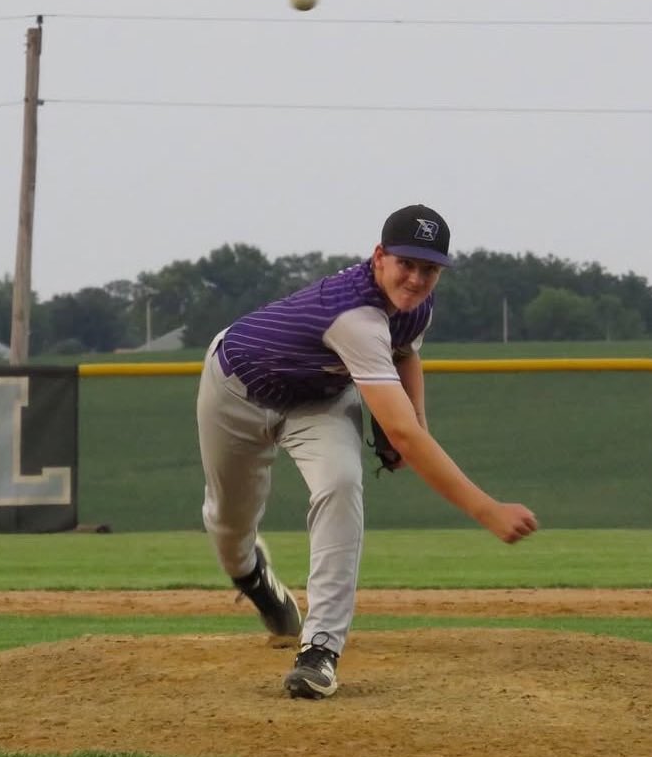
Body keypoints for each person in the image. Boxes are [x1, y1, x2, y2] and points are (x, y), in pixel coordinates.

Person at [195, 204, 539, 700]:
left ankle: (320, 650)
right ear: (379, 257)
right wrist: (487, 509)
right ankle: (253, 578)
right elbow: (403, 435)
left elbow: (406, 352)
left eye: (430, 268)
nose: (418, 278)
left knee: (341, 484)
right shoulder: (355, 317)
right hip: (235, 391)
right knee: (230, 522)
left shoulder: (413, 304)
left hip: (319, 400)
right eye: (407, 263)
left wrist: (415, 420)